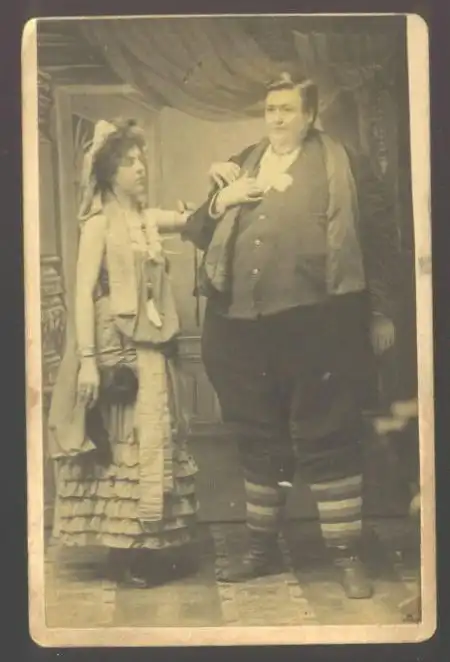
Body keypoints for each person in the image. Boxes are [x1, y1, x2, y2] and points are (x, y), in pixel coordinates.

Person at [181, 72, 398, 598]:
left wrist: (381, 311)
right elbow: (197, 230)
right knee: (259, 436)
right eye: (270, 109)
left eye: (286, 110)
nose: (276, 118)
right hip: (241, 328)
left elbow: (379, 241)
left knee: (330, 432)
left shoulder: (344, 164)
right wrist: (222, 200)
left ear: (309, 116)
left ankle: (346, 555)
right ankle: (260, 550)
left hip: (320, 325)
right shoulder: (242, 162)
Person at [48, 118, 198, 588]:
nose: (140, 168)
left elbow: (190, 220)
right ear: (109, 173)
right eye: (129, 163)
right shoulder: (98, 225)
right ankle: (121, 553)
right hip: (114, 349)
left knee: (150, 439)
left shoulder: (146, 221)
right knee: (120, 443)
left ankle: (145, 544)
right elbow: (81, 293)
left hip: (150, 346)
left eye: (141, 160)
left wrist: (225, 189)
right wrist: (88, 361)